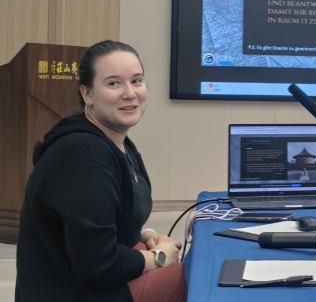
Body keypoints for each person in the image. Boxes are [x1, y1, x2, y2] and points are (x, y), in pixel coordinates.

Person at [15, 40, 187, 302]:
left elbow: (106, 219)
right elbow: (98, 265)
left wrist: (146, 236)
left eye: (137, 81)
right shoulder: (83, 156)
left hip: (90, 281)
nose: (130, 93)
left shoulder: (118, 143)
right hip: (75, 292)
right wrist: (159, 257)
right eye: (113, 83)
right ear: (87, 94)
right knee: (186, 277)